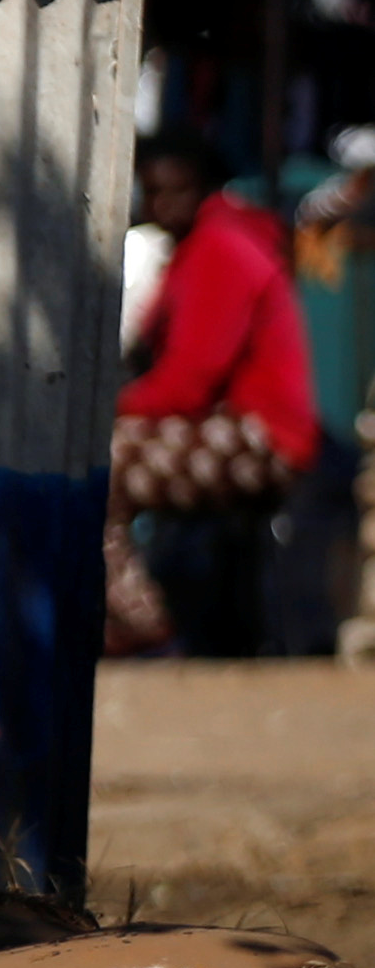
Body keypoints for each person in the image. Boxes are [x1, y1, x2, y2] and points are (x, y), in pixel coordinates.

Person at [112, 131, 321, 658]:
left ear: (206, 189)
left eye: (176, 191)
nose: (161, 205)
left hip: (264, 437)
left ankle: (140, 626)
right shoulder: (202, 246)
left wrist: (100, 413)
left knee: (100, 464)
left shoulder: (220, 248)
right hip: (238, 431)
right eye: (153, 192)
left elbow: (188, 382)